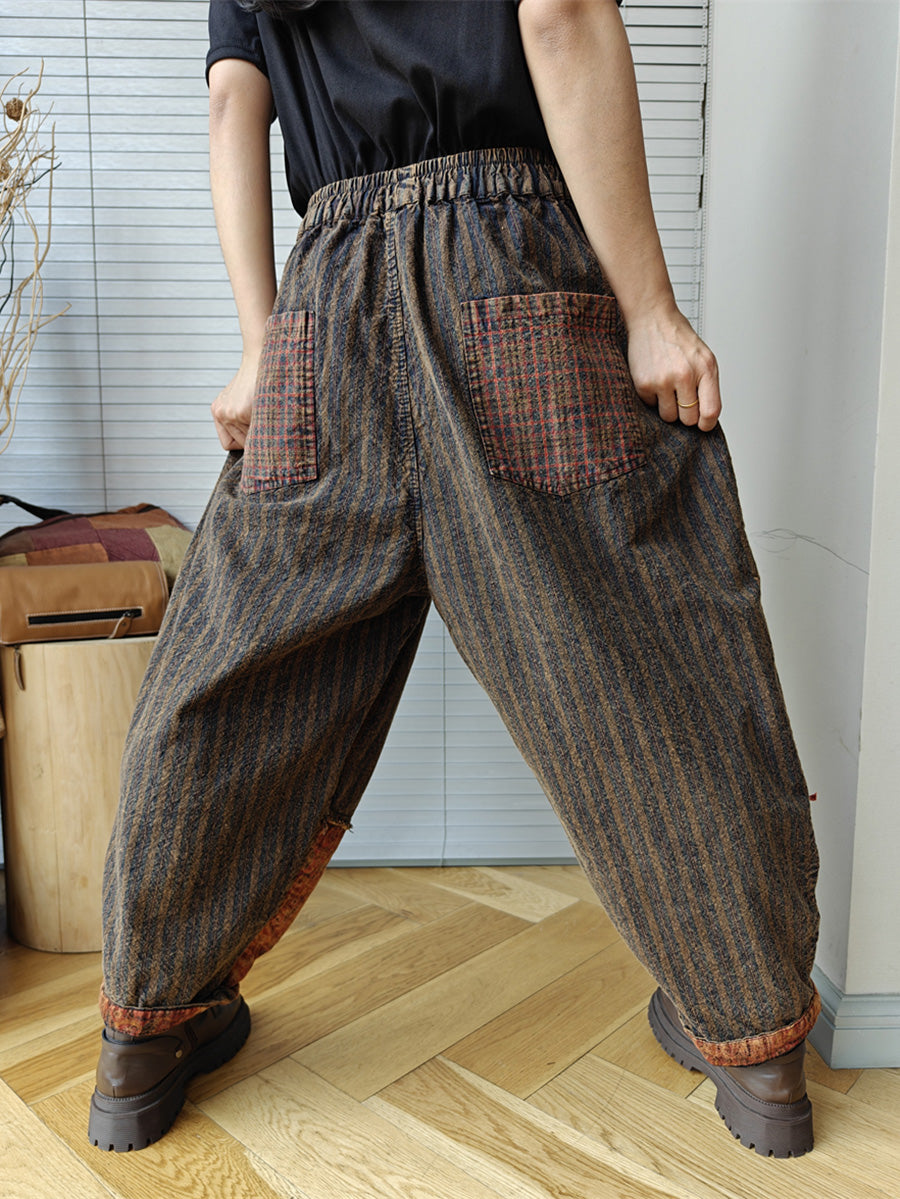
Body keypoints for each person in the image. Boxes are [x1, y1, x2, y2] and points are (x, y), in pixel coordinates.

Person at [88, 0, 821, 1161]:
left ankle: (146, 1025)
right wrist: (649, 311)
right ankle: (756, 1039)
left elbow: (234, 109)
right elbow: (560, 15)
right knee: (648, 652)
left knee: (231, 672)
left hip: (324, 294)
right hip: (511, 261)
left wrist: (261, 344)